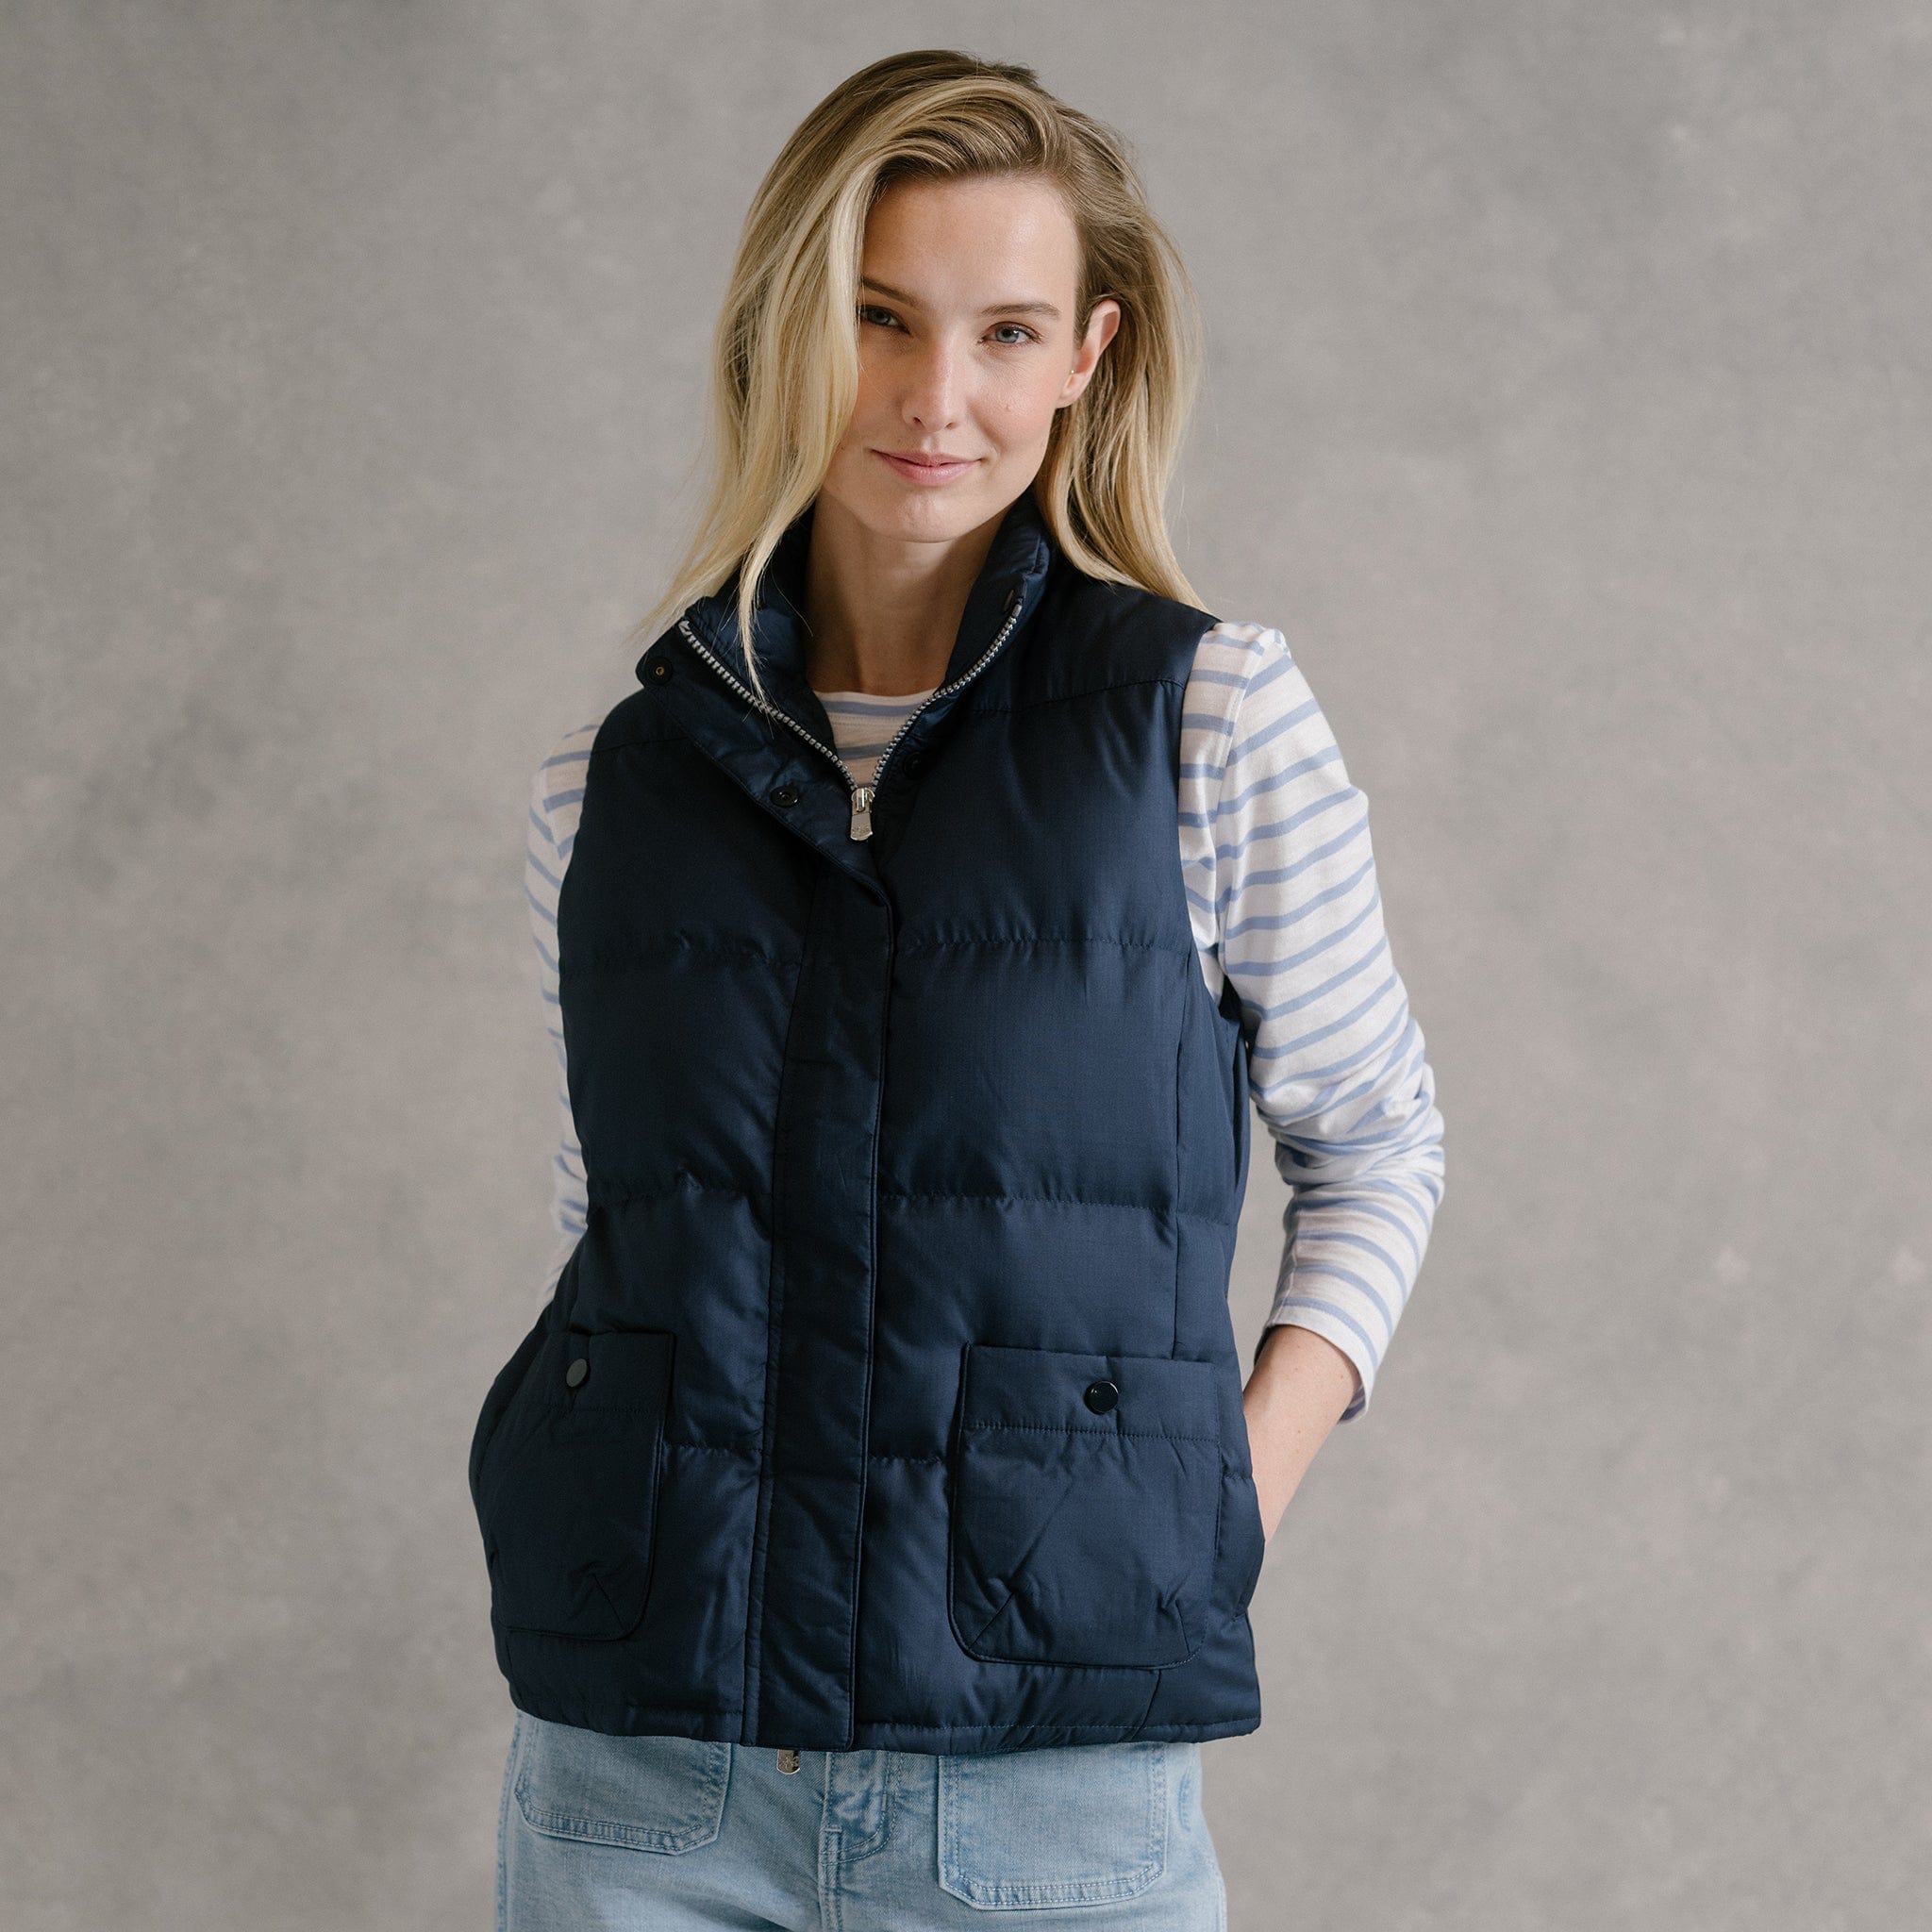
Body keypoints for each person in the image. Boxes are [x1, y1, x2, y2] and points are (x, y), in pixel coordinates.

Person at [471, 47, 1446, 1932]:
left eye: (1004, 332)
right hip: (642, 1781)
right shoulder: (611, 784)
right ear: (786, 333)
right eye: (878, 319)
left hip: (1045, 1787)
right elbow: (620, 1213)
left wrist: (1215, 1504)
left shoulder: (1206, 721)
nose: (935, 398)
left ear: (1087, 357)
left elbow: (1378, 1145)